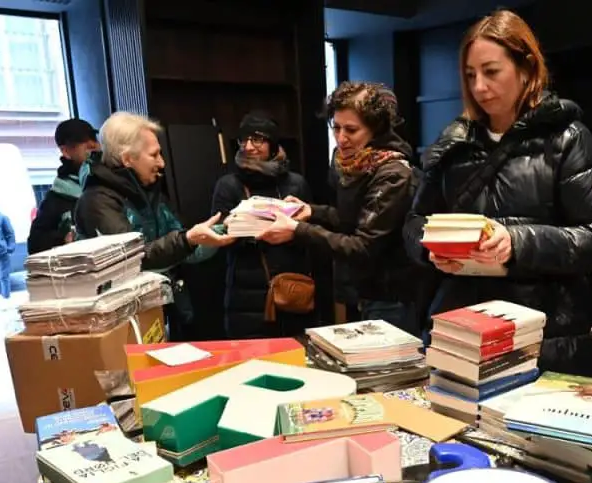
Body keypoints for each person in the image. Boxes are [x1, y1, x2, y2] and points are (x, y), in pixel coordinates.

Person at [403, 10, 592, 372]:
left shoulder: (567, 138)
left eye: (491, 72)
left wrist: (517, 242)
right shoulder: (454, 142)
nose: (479, 88)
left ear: (526, 69)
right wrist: (429, 250)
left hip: (538, 333)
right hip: (460, 330)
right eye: (470, 75)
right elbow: (413, 222)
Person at [258, 81, 421, 336]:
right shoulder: (353, 163)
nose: (341, 138)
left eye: (351, 130)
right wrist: (312, 212)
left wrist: (299, 230)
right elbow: (352, 219)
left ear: (375, 130)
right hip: (365, 289)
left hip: (392, 296)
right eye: (336, 127)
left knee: (380, 373)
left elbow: (363, 245)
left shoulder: (393, 173)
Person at [75, 112, 235, 334]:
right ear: (127, 158)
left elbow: (183, 248)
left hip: (158, 311)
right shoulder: (97, 202)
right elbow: (131, 260)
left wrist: (229, 228)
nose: (162, 162)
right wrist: (188, 240)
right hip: (118, 324)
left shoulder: (150, 193)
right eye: (154, 155)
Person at [211, 112, 315, 338]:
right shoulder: (228, 185)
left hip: (291, 290)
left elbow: (311, 233)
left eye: (257, 139)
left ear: (273, 143)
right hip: (245, 296)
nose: (249, 146)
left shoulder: (295, 184)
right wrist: (255, 230)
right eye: (244, 140)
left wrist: (292, 231)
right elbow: (218, 237)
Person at [28, 118, 101, 254]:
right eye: (86, 145)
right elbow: (35, 244)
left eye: (95, 141)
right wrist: (64, 237)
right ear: (65, 151)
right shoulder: (57, 197)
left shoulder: (110, 179)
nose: (94, 146)